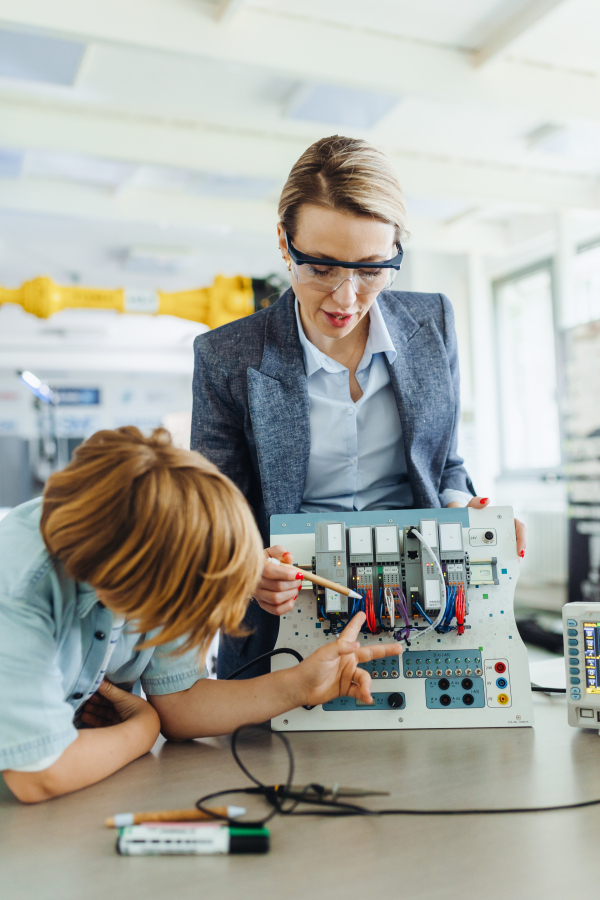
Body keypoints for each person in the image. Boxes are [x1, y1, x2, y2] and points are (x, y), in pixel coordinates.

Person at [191, 135, 526, 680]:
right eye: (320, 268)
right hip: (283, 619)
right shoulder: (227, 356)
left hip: (417, 606)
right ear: (284, 243)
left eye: (371, 269)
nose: (345, 298)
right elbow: (211, 512)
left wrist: (466, 508)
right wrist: (247, 568)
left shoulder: (432, 323)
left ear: (396, 249)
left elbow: (444, 465)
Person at [0, 427, 399, 803]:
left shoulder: (156, 540)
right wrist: (142, 728)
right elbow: (39, 772)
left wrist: (299, 686)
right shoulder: (18, 587)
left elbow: (179, 702)